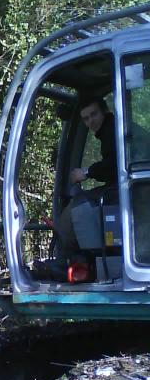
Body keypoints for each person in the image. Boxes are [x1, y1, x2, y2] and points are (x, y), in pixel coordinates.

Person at [54, 97, 117, 261]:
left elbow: (114, 165)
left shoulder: (114, 130)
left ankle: (66, 260)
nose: (91, 121)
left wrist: (86, 172)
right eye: (86, 118)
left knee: (77, 206)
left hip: (125, 189)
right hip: (120, 186)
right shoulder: (109, 130)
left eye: (94, 114)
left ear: (104, 111)